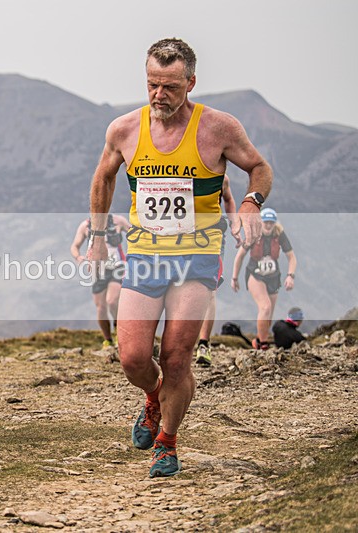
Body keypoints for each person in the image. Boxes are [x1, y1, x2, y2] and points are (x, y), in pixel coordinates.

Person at [86, 38, 272, 477]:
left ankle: (167, 442)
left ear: (190, 82)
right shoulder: (124, 130)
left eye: (170, 86)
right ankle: (154, 398)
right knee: (131, 355)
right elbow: (103, 178)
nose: (158, 95)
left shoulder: (219, 128)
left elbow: (259, 167)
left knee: (176, 356)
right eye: (152, 84)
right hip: (146, 252)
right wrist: (96, 238)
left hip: (197, 254)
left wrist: (251, 203)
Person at [231, 207, 297, 350]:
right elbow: (240, 256)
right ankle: (264, 344)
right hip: (255, 274)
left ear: (274, 224)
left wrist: (290, 276)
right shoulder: (253, 234)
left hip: (274, 277)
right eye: (265, 222)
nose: (268, 225)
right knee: (265, 307)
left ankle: (258, 340)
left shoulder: (279, 234)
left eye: (270, 223)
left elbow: (292, 257)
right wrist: (234, 278)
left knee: (269, 314)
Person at [195, 174, 238, 366]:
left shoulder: (222, 178)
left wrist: (234, 224)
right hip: (178, 238)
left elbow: (228, 199)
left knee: (209, 292)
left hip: (212, 239)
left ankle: (203, 344)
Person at [71, 213, 130, 347]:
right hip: (99, 269)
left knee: (112, 300)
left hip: (118, 267)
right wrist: (78, 257)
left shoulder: (118, 221)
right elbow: (74, 246)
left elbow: (134, 234)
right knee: (101, 307)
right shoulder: (86, 226)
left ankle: (117, 328)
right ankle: (107, 340)